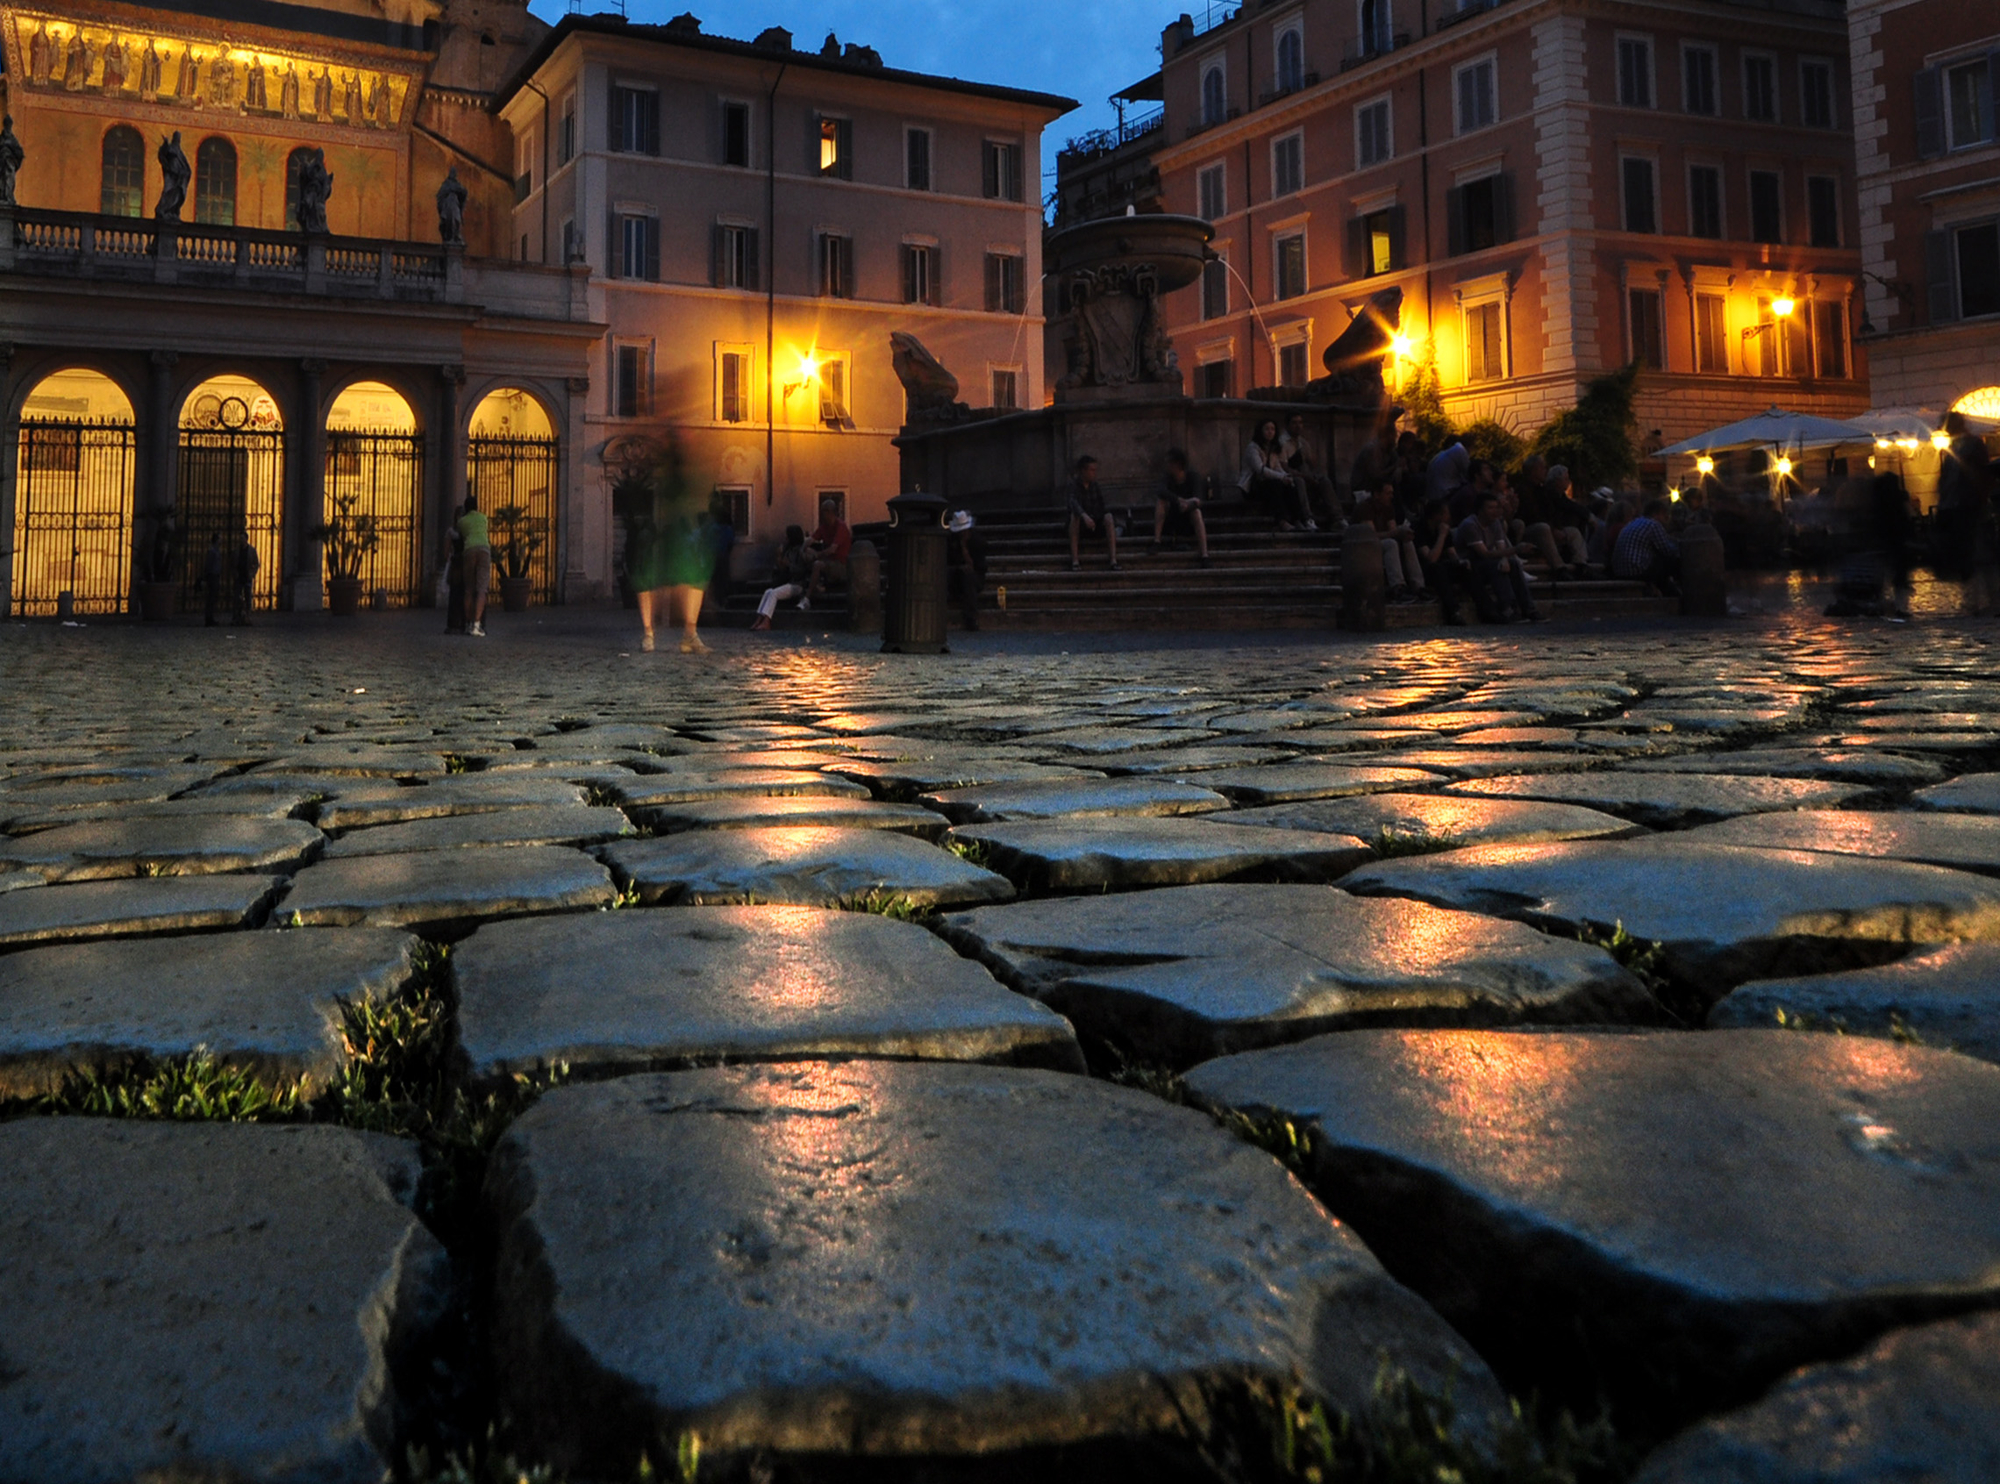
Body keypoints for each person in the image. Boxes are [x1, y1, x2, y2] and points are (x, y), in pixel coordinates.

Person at [1456, 491, 1542, 621]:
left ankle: (1529, 608)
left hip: (1488, 562)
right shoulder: (1470, 525)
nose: (1494, 511)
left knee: (1512, 564)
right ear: (1480, 510)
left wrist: (1505, 559)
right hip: (1471, 565)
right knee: (1497, 566)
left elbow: (1501, 547)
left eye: (1496, 507)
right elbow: (1483, 553)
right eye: (1490, 508)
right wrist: (1515, 550)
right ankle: (1507, 608)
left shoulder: (1495, 523)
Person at [1352, 478, 1426, 602]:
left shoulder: (1388, 507)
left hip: (1382, 540)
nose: (1391, 496)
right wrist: (1394, 533)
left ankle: (1418, 586)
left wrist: (1402, 534)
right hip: (1364, 545)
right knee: (1390, 544)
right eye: (1388, 493)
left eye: (1392, 493)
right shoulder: (1365, 508)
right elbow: (1370, 536)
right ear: (1377, 494)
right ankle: (1397, 587)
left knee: (1407, 542)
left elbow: (1392, 529)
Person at [1239, 419, 1315, 531]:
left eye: (1272, 429)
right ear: (1260, 431)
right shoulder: (1253, 448)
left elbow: (1277, 467)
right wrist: (1281, 477)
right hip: (1253, 486)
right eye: (1267, 429)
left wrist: (1287, 476)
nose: (1270, 432)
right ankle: (1282, 521)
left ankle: (1298, 519)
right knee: (1276, 485)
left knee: (1290, 484)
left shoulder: (1274, 448)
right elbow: (1260, 469)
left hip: (1269, 482)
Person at [1414, 498, 1469, 625]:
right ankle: (1453, 612)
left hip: (1442, 566)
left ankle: (1487, 608)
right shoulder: (1420, 528)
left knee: (1466, 568)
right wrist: (1442, 536)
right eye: (1446, 514)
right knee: (1438, 569)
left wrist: (1461, 563)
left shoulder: (1444, 529)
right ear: (1437, 516)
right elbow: (1430, 558)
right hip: (1424, 570)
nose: (1449, 517)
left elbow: (1452, 554)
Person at [1612, 497, 1682, 596]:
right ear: (1657, 513)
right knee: (1673, 562)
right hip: (1636, 571)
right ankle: (1681, 596)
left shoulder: (1634, 523)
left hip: (1620, 571)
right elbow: (1667, 550)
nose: (1667, 519)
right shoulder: (1653, 525)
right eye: (1665, 515)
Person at [1152, 448, 1210, 565]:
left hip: (1188, 519)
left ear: (1177, 464)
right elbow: (1160, 491)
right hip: (1172, 517)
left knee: (1197, 512)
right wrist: (1179, 500)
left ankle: (1204, 554)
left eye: (1169, 463)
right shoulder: (1167, 478)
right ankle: (1157, 541)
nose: (1167, 466)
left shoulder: (1193, 477)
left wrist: (1187, 504)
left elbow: (1198, 500)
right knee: (1161, 502)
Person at [750, 525, 810, 631]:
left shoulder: (800, 551)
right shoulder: (787, 550)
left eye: (787, 536)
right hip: (787, 582)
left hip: (797, 584)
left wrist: (788, 565)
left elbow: (800, 570)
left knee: (774, 594)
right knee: (768, 592)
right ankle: (759, 619)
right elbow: (781, 570)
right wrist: (779, 559)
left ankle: (767, 621)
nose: (785, 538)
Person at [799, 495, 853, 610]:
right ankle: (814, 585)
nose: (821, 514)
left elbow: (832, 549)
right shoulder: (824, 527)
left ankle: (807, 598)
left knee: (817, 564)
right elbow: (811, 539)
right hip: (829, 562)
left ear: (829, 512)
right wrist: (802, 549)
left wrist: (816, 555)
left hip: (841, 565)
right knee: (809, 554)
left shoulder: (841, 527)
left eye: (823, 511)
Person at [1067, 455, 1120, 570]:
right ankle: (1075, 561)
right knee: (1074, 517)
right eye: (1091, 470)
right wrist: (1084, 516)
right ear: (1083, 471)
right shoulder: (1073, 485)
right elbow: (1072, 502)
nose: (1094, 473)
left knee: (1109, 517)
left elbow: (1102, 506)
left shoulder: (1095, 486)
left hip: (1094, 523)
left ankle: (1113, 560)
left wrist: (1096, 518)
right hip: (1080, 525)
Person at [1282, 414, 1336, 524]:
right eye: (1294, 422)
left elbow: (1312, 463)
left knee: (1324, 480)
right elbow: (1284, 467)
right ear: (1287, 425)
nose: (1298, 426)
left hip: (1304, 474)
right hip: (1289, 478)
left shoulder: (1303, 442)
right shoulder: (1282, 442)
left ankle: (1337, 517)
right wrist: (1305, 476)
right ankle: (1307, 517)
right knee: (1299, 481)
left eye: (1300, 422)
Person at [946, 510, 988, 629]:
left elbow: (979, 566)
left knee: (968, 577)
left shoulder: (977, 542)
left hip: (974, 578)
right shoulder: (952, 541)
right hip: (956, 577)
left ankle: (971, 618)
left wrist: (965, 550)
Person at [457, 492, 491, 636]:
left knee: (469, 589)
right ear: (477, 507)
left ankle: (468, 623)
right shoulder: (483, 518)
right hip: (484, 549)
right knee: (482, 589)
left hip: (469, 550)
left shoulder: (461, 522)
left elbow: (461, 536)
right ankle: (477, 625)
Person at [1426, 439, 1470, 507]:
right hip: (1445, 494)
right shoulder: (1459, 450)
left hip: (1434, 494)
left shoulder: (1439, 456)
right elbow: (1469, 472)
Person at [444, 510, 467, 634]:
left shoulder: (451, 532)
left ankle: (453, 623)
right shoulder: (466, 532)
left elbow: (446, 551)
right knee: (463, 592)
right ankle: (463, 622)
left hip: (456, 563)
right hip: (464, 562)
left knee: (455, 593)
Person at [231, 537, 259, 625]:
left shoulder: (251, 550)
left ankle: (247, 617)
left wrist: (252, 573)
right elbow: (232, 563)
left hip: (247, 577)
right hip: (239, 577)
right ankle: (236, 617)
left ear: (246, 539)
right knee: (237, 598)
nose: (241, 541)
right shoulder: (236, 551)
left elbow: (256, 563)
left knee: (248, 598)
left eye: (242, 539)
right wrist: (235, 573)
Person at [201, 533, 223, 627]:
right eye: (220, 539)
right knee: (211, 598)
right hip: (212, 576)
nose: (221, 541)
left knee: (213, 598)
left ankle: (211, 617)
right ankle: (209, 618)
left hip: (215, 575)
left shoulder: (216, 550)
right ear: (216, 540)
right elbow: (209, 564)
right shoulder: (212, 551)